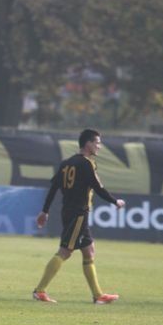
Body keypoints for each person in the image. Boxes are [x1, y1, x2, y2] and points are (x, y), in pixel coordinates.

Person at [32, 128, 125, 304]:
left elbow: (54, 187)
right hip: (78, 213)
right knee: (65, 251)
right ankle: (39, 291)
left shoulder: (67, 163)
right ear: (88, 143)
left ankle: (98, 296)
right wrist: (115, 202)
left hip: (70, 211)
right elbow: (98, 188)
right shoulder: (87, 164)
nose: (99, 146)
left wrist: (45, 211)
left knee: (89, 251)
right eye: (97, 142)